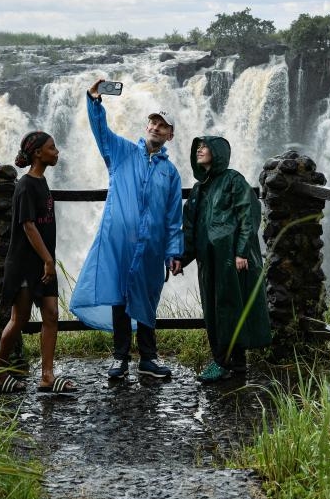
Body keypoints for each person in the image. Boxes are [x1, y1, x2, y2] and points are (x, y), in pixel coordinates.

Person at [69, 79, 184, 380]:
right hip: (119, 242)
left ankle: (148, 358)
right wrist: (95, 102)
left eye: (163, 125)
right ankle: (120, 357)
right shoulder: (121, 153)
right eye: (153, 122)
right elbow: (102, 134)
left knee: (147, 297)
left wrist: (174, 251)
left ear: (170, 134)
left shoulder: (170, 173)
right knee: (120, 299)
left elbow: (174, 217)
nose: (156, 127)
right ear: (147, 126)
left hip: (152, 246)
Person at [0, 131, 77, 394]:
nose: (57, 151)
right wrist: (48, 259)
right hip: (27, 263)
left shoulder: (41, 182)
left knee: (51, 314)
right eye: (52, 147)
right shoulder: (26, 185)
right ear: (38, 153)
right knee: (19, 318)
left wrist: (48, 261)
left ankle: (47, 376)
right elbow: (28, 226)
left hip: (43, 263)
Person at [181, 136, 271, 383]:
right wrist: (182, 257)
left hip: (230, 258)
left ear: (218, 152)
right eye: (197, 146)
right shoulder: (199, 189)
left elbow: (248, 213)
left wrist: (241, 251)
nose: (199, 149)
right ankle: (225, 362)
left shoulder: (233, 180)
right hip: (207, 260)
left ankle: (230, 364)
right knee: (213, 309)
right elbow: (190, 227)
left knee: (231, 307)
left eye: (205, 146)